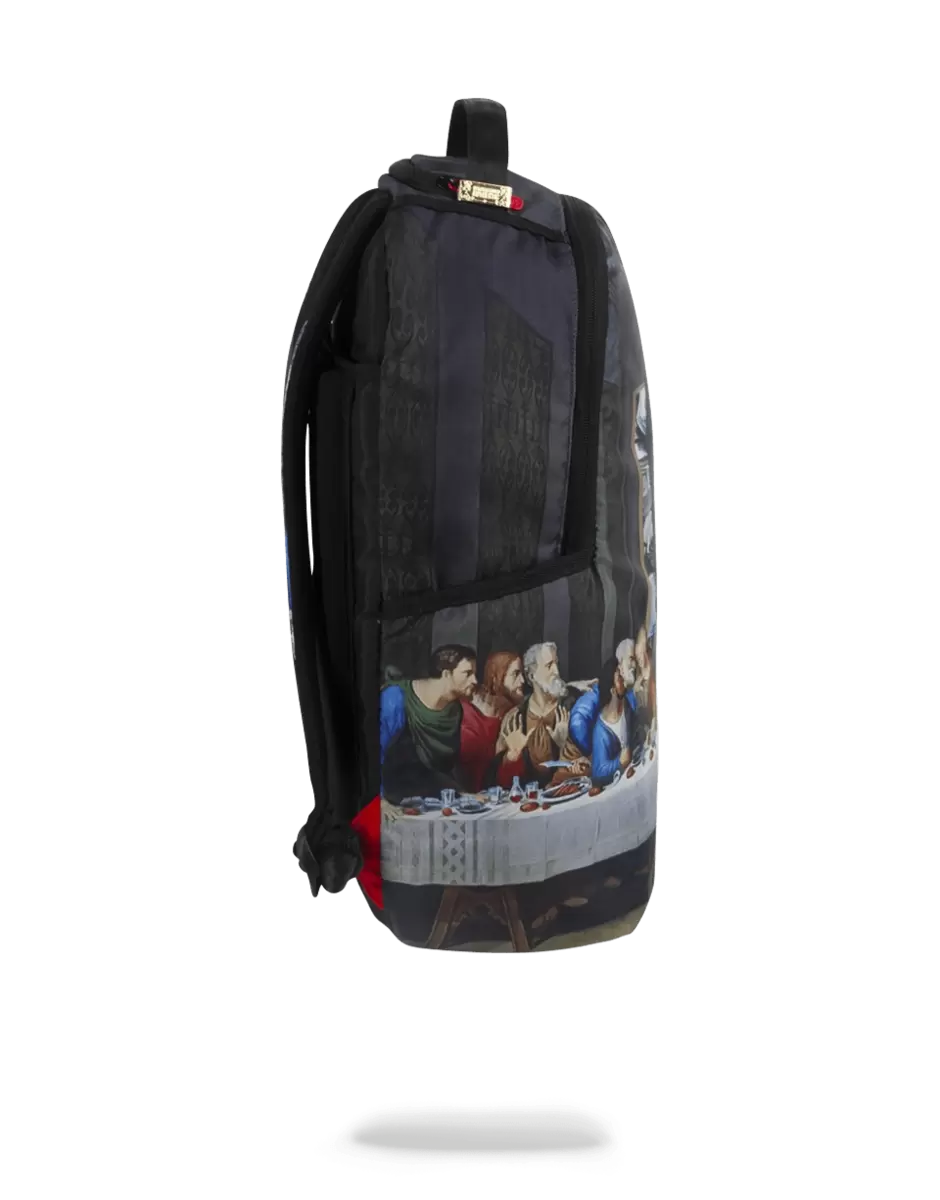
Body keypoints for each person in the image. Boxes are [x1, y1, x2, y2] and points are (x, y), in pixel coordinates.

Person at [380, 645, 477, 805]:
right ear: (446, 674)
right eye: (468, 673)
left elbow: (440, 768)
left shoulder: (454, 710)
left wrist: (461, 794)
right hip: (390, 797)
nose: (475, 681)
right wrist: (380, 802)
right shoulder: (395, 699)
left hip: (427, 799)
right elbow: (374, 756)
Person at [487, 642, 591, 790]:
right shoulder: (515, 717)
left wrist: (564, 745)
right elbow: (498, 782)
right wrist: (511, 757)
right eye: (549, 666)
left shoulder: (574, 705)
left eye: (556, 664)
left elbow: (591, 765)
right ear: (531, 675)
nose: (556, 671)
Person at [457, 651, 525, 794]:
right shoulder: (464, 710)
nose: (522, 681)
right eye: (515, 674)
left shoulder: (512, 715)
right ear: (495, 678)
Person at [569, 637, 639, 756]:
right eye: (631, 659)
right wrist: (596, 752)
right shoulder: (599, 691)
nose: (635, 665)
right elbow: (577, 723)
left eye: (636, 660)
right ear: (620, 662)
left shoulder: (631, 693)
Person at [588, 657, 635, 788]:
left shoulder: (629, 703)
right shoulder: (601, 730)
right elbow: (598, 772)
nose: (624, 679)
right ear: (612, 690)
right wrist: (619, 762)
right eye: (619, 677)